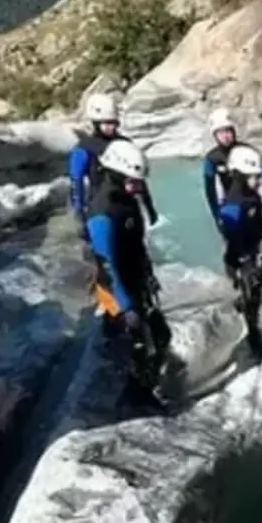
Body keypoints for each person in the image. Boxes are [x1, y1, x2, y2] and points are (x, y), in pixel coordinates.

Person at [85, 139, 171, 402]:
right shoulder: (102, 210)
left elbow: (136, 244)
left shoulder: (126, 199)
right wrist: (126, 306)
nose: (137, 187)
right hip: (114, 288)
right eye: (132, 181)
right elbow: (108, 263)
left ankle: (149, 384)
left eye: (138, 182)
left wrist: (148, 276)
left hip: (134, 278)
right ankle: (135, 396)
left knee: (160, 334)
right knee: (134, 344)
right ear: (116, 173)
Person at [217, 145, 262, 356]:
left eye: (259, 177)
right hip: (247, 258)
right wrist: (238, 265)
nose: (259, 182)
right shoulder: (234, 204)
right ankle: (254, 337)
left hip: (261, 251)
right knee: (252, 298)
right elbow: (231, 240)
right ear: (239, 176)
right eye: (254, 177)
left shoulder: (250, 196)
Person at [69, 93, 158, 241]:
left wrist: (149, 207)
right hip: (101, 210)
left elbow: (138, 176)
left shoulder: (125, 143)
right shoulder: (84, 149)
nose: (111, 127)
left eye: (114, 123)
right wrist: (79, 215)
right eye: (107, 123)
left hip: (128, 207)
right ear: (96, 122)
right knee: (109, 260)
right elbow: (75, 182)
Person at [201, 108, 262, 234]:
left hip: (252, 204)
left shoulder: (248, 151)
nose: (225, 136)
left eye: (228, 131)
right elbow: (210, 191)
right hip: (231, 208)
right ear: (215, 135)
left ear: (234, 131)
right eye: (221, 132)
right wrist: (216, 217)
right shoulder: (212, 159)